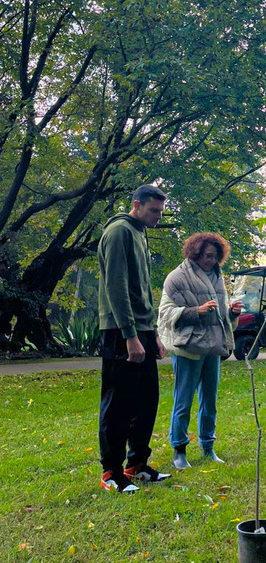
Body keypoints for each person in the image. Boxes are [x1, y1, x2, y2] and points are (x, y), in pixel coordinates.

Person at [98, 184, 171, 493]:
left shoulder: (140, 233)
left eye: (160, 211)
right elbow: (116, 287)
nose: (157, 216)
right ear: (137, 205)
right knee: (118, 404)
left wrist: (151, 335)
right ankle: (111, 473)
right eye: (153, 210)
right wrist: (130, 336)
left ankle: (136, 465)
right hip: (119, 330)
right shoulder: (118, 232)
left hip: (140, 330)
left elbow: (142, 290)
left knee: (146, 400)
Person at [157, 232, 243, 469]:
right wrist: (196, 311)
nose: (211, 261)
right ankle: (179, 451)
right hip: (189, 349)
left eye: (215, 257)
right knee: (183, 401)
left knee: (210, 401)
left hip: (212, 348)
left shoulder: (217, 276)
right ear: (195, 253)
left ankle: (208, 446)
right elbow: (164, 314)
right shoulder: (176, 278)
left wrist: (232, 313)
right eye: (207, 256)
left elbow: (221, 315)